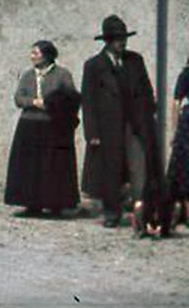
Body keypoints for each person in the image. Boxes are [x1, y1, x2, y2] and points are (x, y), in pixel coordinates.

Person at [80, 15, 163, 236]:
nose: (122, 43)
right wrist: (92, 133)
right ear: (107, 41)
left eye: (124, 38)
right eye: (117, 39)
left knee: (140, 167)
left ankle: (142, 213)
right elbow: (88, 102)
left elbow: (146, 88)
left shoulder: (135, 60)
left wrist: (149, 113)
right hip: (108, 128)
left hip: (136, 124)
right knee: (111, 170)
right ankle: (111, 213)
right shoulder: (94, 66)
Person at [4, 43, 81, 219]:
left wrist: (51, 104)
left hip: (53, 126)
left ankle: (56, 205)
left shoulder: (62, 75)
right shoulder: (28, 75)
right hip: (29, 125)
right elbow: (19, 98)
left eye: (35, 53)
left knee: (54, 166)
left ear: (47, 55)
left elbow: (70, 97)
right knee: (30, 167)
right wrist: (34, 102)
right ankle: (32, 205)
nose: (32, 56)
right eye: (32, 53)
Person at [163, 60, 189, 232]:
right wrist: (174, 130)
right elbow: (176, 103)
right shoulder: (186, 75)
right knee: (184, 172)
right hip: (187, 128)